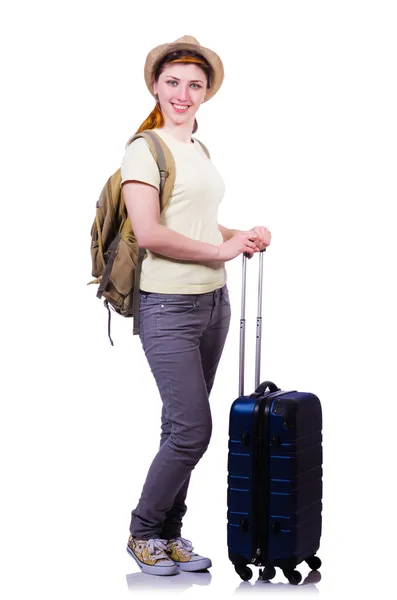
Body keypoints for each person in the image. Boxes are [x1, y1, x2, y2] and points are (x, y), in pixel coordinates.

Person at [120, 35, 271, 576]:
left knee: (177, 427)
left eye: (194, 85)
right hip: (168, 308)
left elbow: (201, 224)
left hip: (213, 304)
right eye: (173, 82)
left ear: (206, 93)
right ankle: (143, 531)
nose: (183, 94)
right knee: (193, 430)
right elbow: (151, 233)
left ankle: (171, 533)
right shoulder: (145, 149)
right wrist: (218, 250)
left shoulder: (199, 150)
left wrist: (240, 234)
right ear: (156, 86)